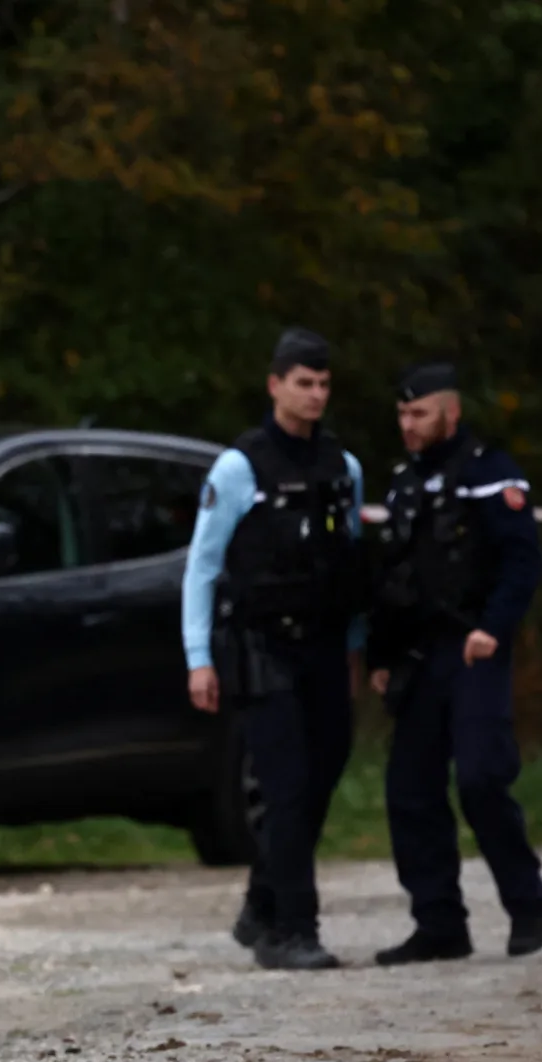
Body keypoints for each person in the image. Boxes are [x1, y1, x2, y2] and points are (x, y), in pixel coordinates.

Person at [184, 328, 366, 970]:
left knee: (320, 780)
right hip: (263, 648)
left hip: (324, 647)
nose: (315, 395)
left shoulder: (343, 468)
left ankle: (262, 903)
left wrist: (355, 649)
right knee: (286, 788)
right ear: (276, 384)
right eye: (303, 383)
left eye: (323, 384)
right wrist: (197, 659)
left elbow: (348, 562)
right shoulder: (240, 468)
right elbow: (201, 569)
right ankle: (293, 929)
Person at [367, 362, 542, 962]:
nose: (408, 425)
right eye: (402, 414)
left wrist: (492, 630)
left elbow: (522, 561)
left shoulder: (489, 475)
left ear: (451, 412)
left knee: (480, 780)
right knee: (410, 792)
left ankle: (527, 906)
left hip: (474, 651)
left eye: (418, 414)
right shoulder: (402, 484)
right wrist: (381, 655)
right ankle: (440, 924)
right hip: (419, 658)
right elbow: (392, 578)